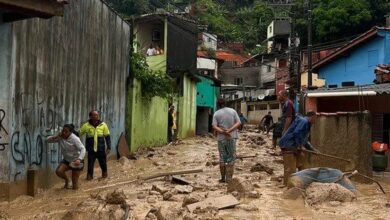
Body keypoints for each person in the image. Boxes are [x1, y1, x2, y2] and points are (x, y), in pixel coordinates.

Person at [278, 111, 317, 186]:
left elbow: (304, 140)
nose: (316, 120)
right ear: (312, 117)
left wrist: (312, 149)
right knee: (290, 168)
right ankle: (288, 185)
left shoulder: (307, 124)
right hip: (288, 145)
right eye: (315, 118)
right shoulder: (304, 121)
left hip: (294, 146)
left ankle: (302, 182)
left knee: (302, 164)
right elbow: (297, 133)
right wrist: (300, 146)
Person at [47, 124, 86, 190]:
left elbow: (83, 149)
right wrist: (56, 136)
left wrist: (79, 159)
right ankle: (67, 180)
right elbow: (48, 140)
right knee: (59, 171)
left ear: (70, 132)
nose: (64, 133)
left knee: (75, 187)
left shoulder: (75, 139)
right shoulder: (60, 137)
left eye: (66, 131)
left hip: (76, 161)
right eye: (63, 131)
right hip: (67, 160)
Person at [212, 98, 241, 183]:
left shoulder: (216, 113)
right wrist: (229, 131)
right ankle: (229, 179)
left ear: (218, 105)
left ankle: (222, 179)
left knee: (222, 158)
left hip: (221, 138)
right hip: (232, 137)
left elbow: (214, 126)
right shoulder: (233, 111)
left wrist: (223, 132)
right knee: (231, 158)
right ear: (226, 103)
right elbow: (238, 123)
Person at [80, 110, 111, 180]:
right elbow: (79, 133)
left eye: (96, 115)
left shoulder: (103, 125)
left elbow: (107, 136)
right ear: (90, 116)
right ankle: (89, 177)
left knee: (103, 163)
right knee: (90, 164)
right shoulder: (86, 125)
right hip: (91, 149)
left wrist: (109, 147)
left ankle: (104, 174)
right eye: (93, 115)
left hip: (101, 149)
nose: (95, 116)